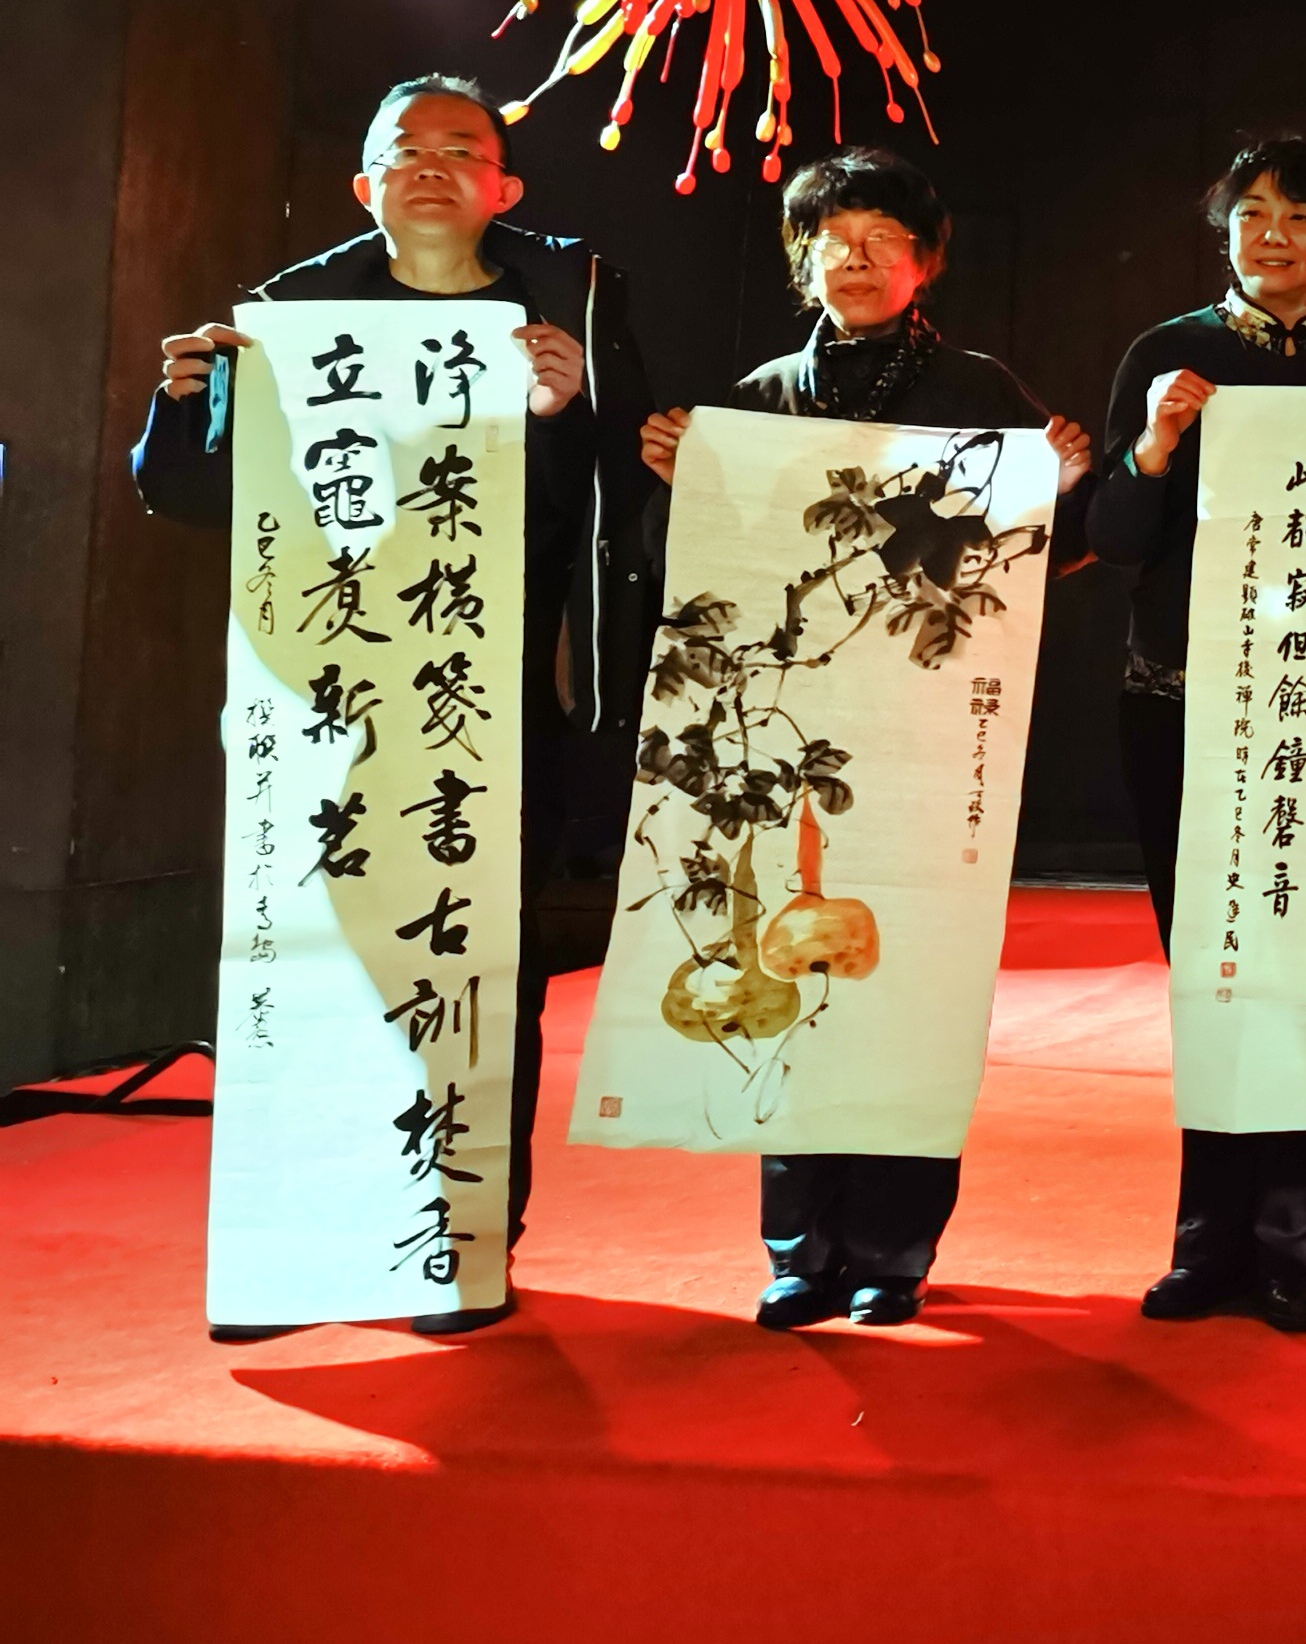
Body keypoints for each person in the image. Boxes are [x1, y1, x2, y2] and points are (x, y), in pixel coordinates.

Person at [139, 74, 656, 1342]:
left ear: (504, 185)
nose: (431, 165)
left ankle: (458, 1240)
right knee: (315, 955)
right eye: (403, 149)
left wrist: (569, 412)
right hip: (330, 698)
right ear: (364, 183)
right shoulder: (296, 312)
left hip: (492, 697)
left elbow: (633, 488)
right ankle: (304, 1243)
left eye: (460, 148)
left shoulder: (566, 303)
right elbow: (196, 498)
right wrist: (184, 406)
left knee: (478, 966)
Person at [640, 147, 1094, 1330]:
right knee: (787, 966)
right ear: (802, 261)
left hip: (925, 736)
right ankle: (800, 1248)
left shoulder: (979, 389)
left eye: (881, 238)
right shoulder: (760, 396)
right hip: (788, 737)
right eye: (830, 240)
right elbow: (696, 568)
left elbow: (1039, 555)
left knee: (911, 985)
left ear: (925, 260)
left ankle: (894, 1249)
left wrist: (1064, 486)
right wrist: (676, 483)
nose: (853, 258)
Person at [1090, 138, 1306, 1334]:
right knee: (1212, 974)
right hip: (1180, 700)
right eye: (1251, 213)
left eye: (1300, 216)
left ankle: (1296, 1242)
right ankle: (1205, 1242)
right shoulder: (1165, 353)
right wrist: (1153, 448)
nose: (1271, 234)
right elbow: (1111, 539)